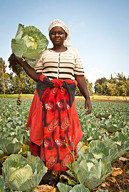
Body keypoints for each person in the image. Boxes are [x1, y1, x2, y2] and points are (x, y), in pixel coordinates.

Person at [9, 19, 92, 173]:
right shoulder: (45, 53)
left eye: (60, 32)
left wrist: (87, 97)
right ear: (49, 36)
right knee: (45, 130)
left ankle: (65, 168)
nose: (56, 35)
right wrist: (21, 62)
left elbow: (79, 76)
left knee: (66, 131)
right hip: (46, 96)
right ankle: (45, 169)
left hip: (66, 98)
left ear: (66, 35)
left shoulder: (74, 53)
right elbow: (37, 75)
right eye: (53, 33)